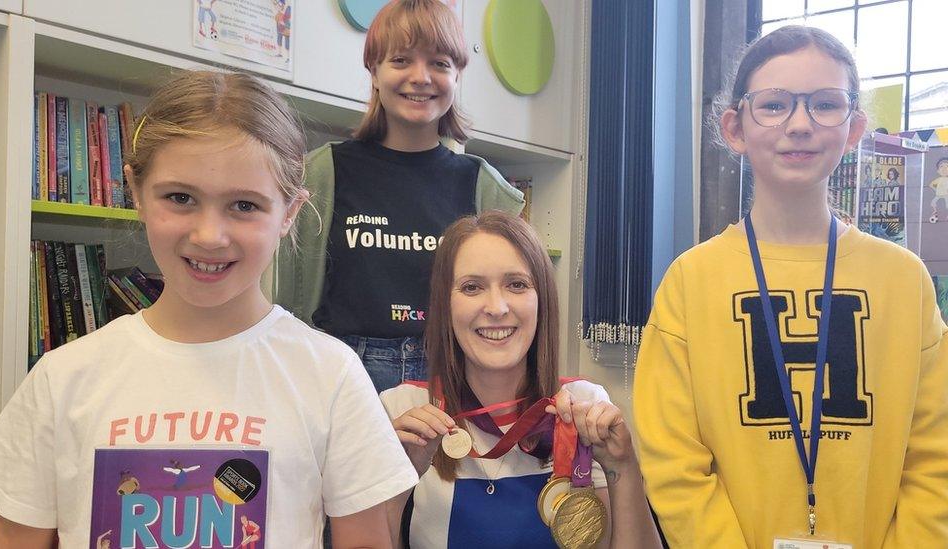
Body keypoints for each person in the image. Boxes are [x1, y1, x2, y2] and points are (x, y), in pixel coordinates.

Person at [0, 71, 417, 548]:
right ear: (137, 193)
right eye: (180, 198)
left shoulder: (332, 376)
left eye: (244, 205)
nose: (209, 235)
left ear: (289, 213)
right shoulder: (63, 379)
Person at [634, 26, 948, 548]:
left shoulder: (904, 280)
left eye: (825, 104)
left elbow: (936, 453)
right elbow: (673, 460)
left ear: (853, 129)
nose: (799, 124)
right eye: (775, 105)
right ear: (735, 128)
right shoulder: (691, 282)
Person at [276, 0, 524, 394]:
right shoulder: (322, 173)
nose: (420, 77)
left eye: (440, 63)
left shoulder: (483, 186)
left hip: (452, 374)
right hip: (342, 372)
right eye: (401, 60)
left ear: (457, 74)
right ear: (374, 71)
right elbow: (285, 305)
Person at [381, 211, 663, 548]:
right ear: (446, 304)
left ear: (541, 299)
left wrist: (624, 466)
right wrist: (399, 480)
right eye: (472, 287)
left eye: (517, 284)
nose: (497, 307)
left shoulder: (585, 405)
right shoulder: (403, 411)